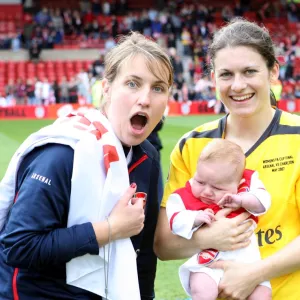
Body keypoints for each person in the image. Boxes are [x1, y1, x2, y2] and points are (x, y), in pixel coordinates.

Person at [0, 32, 173, 300]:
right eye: (132, 84)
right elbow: (18, 246)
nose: (146, 99)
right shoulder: (63, 153)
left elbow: (143, 256)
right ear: (106, 88)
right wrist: (110, 229)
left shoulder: (147, 157)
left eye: (158, 88)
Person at [154, 17, 300, 300]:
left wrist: (254, 274)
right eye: (226, 74)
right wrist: (209, 238)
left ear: (273, 72)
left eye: (249, 71)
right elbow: (163, 244)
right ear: (213, 78)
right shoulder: (191, 145)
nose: (238, 85)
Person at [166, 139, 271, 300]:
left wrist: (242, 200)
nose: (207, 192)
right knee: (202, 288)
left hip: (248, 263)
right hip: (209, 262)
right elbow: (174, 220)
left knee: (262, 294)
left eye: (217, 188)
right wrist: (194, 218)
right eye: (200, 182)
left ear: (239, 182)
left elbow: (263, 201)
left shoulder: (247, 185)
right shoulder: (184, 195)